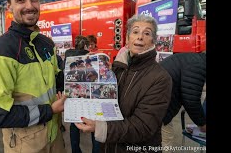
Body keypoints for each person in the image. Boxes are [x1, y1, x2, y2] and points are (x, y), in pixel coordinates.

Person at [0, 0, 66, 153]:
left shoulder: (46, 43)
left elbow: (56, 81)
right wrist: (49, 110)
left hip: (55, 137)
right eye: (20, 0)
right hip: (25, 144)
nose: (30, 5)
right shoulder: (0, 50)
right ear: (9, 7)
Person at [75, 14, 172, 152]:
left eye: (147, 33)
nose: (140, 37)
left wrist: (101, 128)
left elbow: (143, 127)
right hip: (109, 147)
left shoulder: (160, 78)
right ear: (127, 39)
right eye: (135, 31)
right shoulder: (117, 68)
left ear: (153, 41)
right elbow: (102, 99)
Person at [160, 52, 206, 148]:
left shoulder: (193, 59)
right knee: (165, 143)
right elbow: (191, 100)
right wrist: (202, 124)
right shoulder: (198, 65)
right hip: (159, 111)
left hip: (159, 106)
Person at [64, 35, 100, 153]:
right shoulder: (90, 56)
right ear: (86, 45)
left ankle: (75, 150)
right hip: (90, 97)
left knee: (75, 123)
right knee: (94, 124)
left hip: (73, 95)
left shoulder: (68, 55)